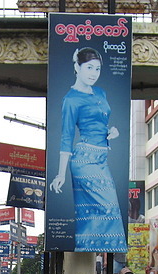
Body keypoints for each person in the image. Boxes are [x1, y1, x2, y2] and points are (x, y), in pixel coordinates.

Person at [49, 47, 126, 252]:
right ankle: (88, 250)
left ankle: (88, 250)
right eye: (89, 67)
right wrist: (60, 174)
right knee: (108, 208)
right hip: (84, 160)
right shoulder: (71, 100)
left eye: (98, 69)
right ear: (77, 67)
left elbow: (100, 122)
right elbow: (66, 137)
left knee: (96, 213)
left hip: (102, 159)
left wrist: (111, 132)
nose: (94, 73)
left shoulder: (101, 92)